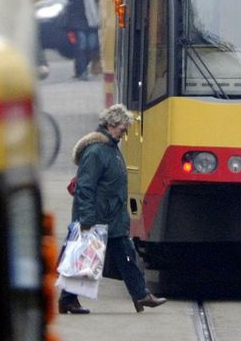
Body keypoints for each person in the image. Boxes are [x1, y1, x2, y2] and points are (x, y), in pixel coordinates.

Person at [58, 104, 166, 315]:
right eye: (122, 129)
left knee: (110, 257)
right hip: (98, 218)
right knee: (92, 259)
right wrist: (87, 218)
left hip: (109, 217)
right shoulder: (97, 151)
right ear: (110, 124)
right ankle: (140, 295)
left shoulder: (109, 147)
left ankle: (139, 295)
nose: (124, 134)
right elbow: (85, 187)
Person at [65, 0, 100, 81]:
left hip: (92, 16)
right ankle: (81, 71)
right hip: (78, 16)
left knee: (92, 44)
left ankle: (84, 66)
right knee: (81, 43)